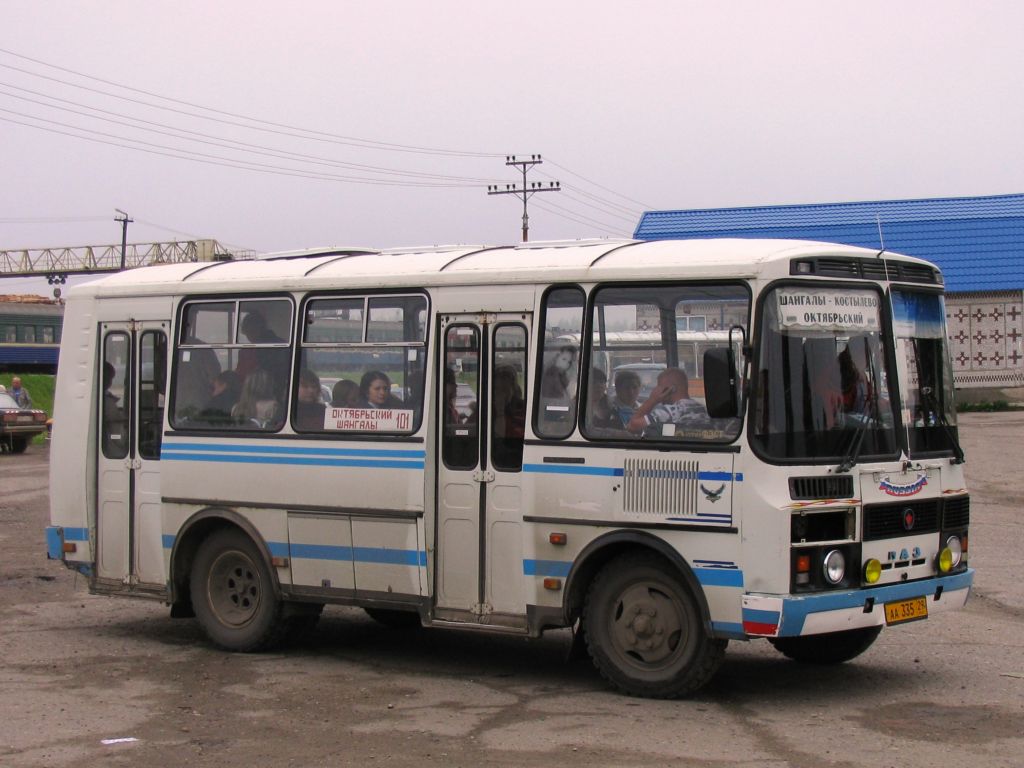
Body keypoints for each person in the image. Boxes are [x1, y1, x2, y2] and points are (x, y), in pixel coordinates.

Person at [627, 367, 708, 436]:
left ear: (671, 389)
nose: (656, 390)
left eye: (659, 387)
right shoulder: (703, 409)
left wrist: (652, 400)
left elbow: (632, 426)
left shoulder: (668, 412)